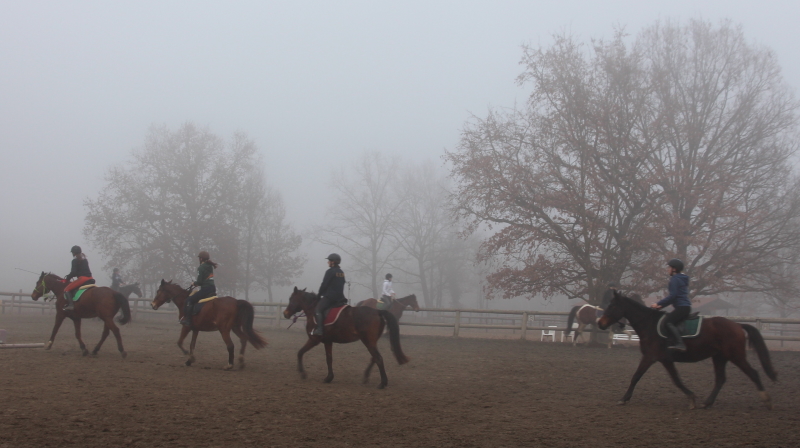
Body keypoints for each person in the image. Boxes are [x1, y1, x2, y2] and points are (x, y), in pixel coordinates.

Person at [650, 258, 691, 351]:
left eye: (669, 267)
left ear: (674, 269)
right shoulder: (682, 278)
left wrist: (658, 303)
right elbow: (675, 297)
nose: (667, 269)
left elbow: (673, 296)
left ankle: (680, 344)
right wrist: (661, 306)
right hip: (685, 307)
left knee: (667, 322)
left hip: (681, 307)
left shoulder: (675, 279)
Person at [312, 253, 347, 336]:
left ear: (333, 262)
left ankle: (320, 330)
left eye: (329, 261)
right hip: (340, 297)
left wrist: (319, 295)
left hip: (330, 297)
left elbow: (324, 284)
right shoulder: (341, 272)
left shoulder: (330, 271)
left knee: (318, 310)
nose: (328, 262)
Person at [180, 251, 218, 326]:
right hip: (212, 288)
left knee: (189, 300)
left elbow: (200, 282)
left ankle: (188, 320)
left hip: (205, 289)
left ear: (201, 259)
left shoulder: (201, 268)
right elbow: (204, 279)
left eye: (199, 258)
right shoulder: (210, 266)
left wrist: (194, 283)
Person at [64, 245, 95, 311]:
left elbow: (74, 272)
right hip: (90, 278)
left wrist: (67, 278)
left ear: (74, 253)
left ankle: (71, 305)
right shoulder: (85, 260)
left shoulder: (75, 261)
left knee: (66, 290)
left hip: (83, 279)